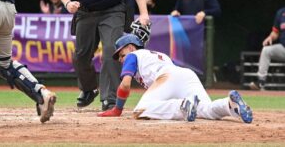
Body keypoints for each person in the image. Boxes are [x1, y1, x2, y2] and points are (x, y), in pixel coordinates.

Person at [98, 33, 253, 124]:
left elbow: (125, 85)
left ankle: (182, 106)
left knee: (140, 110)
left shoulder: (132, 55)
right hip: (185, 74)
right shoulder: (155, 55)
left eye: (121, 54)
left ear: (131, 47)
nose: (120, 58)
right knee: (204, 109)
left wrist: (117, 109)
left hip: (167, 77)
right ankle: (229, 105)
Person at [250, 7, 285, 90]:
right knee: (266, 50)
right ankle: (261, 81)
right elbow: (275, 32)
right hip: (283, 48)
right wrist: (270, 37)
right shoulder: (281, 12)